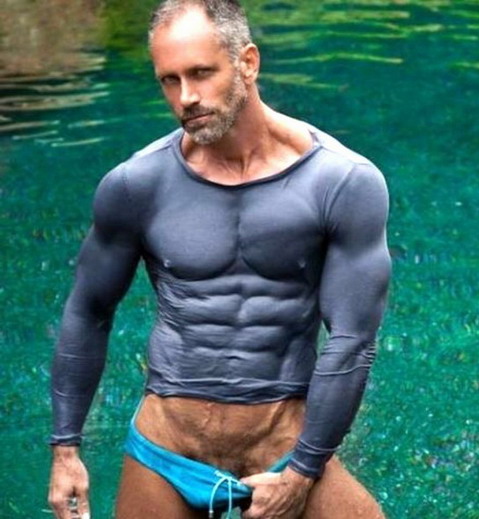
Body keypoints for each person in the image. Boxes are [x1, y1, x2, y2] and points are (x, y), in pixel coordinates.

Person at [47, 1, 391, 517]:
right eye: (169, 80)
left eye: (201, 73)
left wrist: (302, 472)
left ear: (247, 62)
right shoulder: (137, 185)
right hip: (167, 448)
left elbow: (352, 340)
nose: (186, 97)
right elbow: (88, 310)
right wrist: (65, 450)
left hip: (284, 447)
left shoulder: (341, 183)